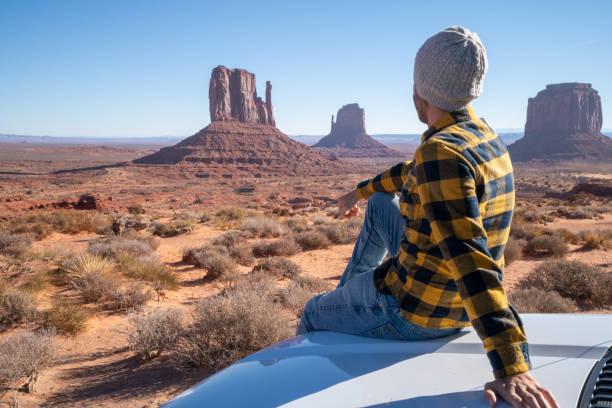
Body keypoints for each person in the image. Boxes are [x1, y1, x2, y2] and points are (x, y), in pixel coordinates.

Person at [297, 26, 559, 408]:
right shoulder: (482, 136)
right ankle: (350, 298)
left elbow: (470, 259)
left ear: (421, 87)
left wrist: (511, 366)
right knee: (382, 204)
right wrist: (360, 191)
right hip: (446, 295)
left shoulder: (442, 153)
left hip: (418, 311)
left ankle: (330, 391)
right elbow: (413, 171)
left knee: (312, 312)